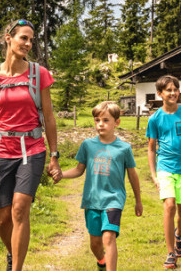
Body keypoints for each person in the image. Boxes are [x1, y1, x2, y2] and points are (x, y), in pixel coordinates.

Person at [0, 19, 62, 271]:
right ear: (9, 38)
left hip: (32, 149)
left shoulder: (39, 74)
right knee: (2, 220)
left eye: (31, 40)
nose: (29, 44)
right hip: (0, 152)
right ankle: (13, 253)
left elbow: (49, 117)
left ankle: (16, 268)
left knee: (20, 209)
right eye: (24, 38)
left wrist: (54, 155)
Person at [50, 101, 143, 271]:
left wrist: (138, 200)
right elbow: (79, 170)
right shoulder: (88, 145)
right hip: (92, 200)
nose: (100, 124)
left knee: (108, 237)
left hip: (113, 199)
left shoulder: (124, 148)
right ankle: (101, 261)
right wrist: (62, 175)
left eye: (106, 120)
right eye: (97, 120)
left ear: (117, 122)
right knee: (95, 243)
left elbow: (132, 175)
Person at [145, 75, 181, 269]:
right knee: (169, 205)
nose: (173, 93)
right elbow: (151, 149)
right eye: (168, 90)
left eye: (175, 89)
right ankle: (170, 253)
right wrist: (153, 174)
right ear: (160, 94)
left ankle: (179, 235)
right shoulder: (155, 119)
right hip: (165, 168)